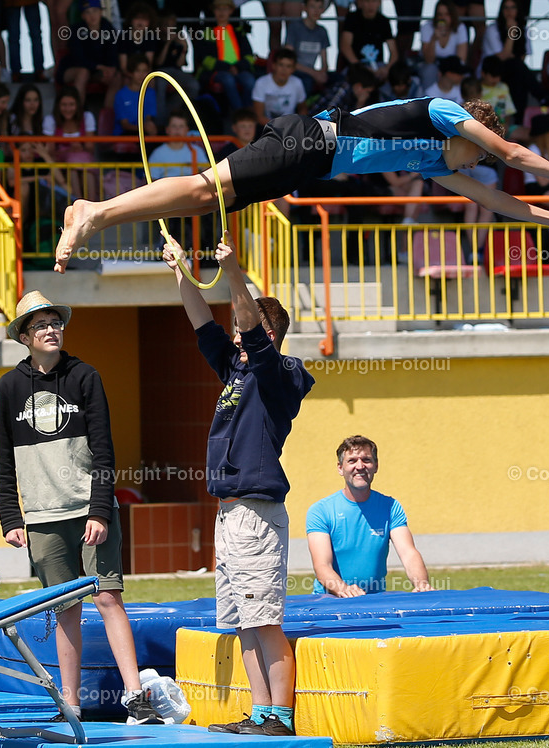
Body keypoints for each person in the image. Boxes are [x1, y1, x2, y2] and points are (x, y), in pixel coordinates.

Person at [54, 98, 549, 272]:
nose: (478, 163)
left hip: (308, 164)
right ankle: (93, 211)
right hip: (308, 141)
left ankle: (94, 213)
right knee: (205, 188)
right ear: (478, 131)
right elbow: (511, 155)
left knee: (204, 199)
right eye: (481, 151)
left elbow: (497, 199)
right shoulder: (443, 113)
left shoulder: (437, 162)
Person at [160, 233, 315, 737]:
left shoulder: (282, 374)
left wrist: (233, 273)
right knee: (243, 621)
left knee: (265, 619)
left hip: (257, 511)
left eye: (246, 329)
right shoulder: (235, 369)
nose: (237, 337)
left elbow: (247, 327)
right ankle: (261, 712)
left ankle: (282, 717)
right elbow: (202, 322)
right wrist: (182, 273)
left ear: (270, 336)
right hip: (229, 513)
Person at [0, 290, 166, 727]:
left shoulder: (86, 376)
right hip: (42, 519)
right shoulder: (9, 387)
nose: (51, 330)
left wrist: (99, 511)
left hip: (89, 510)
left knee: (108, 597)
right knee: (65, 607)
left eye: (56, 323)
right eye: (41, 326)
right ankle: (70, 704)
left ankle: (134, 697)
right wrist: (11, 518)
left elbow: (105, 451)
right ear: (25, 337)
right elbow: (3, 458)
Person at [306, 435, 433, 597]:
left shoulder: (390, 507)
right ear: (340, 468)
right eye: (352, 461)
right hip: (330, 600)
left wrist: (421, 584)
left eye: (366, 460)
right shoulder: (320, 510)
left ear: (376, 466)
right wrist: (344, 590)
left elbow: (408, 553)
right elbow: (322, 565)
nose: (360, 466)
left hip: (375, 601)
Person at [417, 0, 468, 91]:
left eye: (447, 14)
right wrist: (433, 39)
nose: (442, 18)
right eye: (439, 14)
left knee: (462, 75)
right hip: (432, 64)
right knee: (430, 70)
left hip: (452, 65)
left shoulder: (460, 28)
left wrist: (447, 72)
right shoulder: (427, 27)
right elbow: (429, 60)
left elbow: (460, 60)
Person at [283, 0, 330, 96]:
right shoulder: (294, 27)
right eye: (312, 7)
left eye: (319, 7)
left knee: (338, 79)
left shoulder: (322, 31)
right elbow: (288, 59)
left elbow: (325, 62)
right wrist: (315, 74)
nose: (316, 11)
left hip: (312, 72)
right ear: (304, 8)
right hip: (296, 72)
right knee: (307, 83)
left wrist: (322, 73)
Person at [251, 47, 307, 126]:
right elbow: (259, 116)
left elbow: (302, 107)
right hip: (266, 127)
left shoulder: (297, 83)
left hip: (290, 127)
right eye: (281, 65)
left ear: (293, 69)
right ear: (273, 66)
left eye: (288, 66)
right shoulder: (261, 83)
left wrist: (300, 122)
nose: (284, 70)